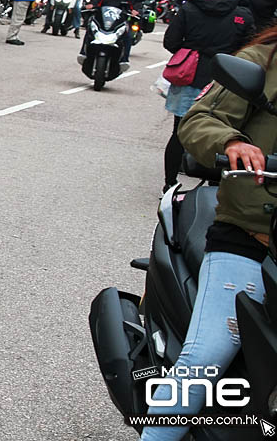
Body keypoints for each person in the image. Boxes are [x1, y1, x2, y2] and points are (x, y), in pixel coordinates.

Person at [140, 22, 271, 441]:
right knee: (204, 360)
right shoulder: (261, 64)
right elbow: (199, 119)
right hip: (251, 238)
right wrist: (232, 142)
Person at [161, 0, 255, 192]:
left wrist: (193, 49)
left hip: (190, 76)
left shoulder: (190, 8)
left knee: (179, 132)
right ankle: (213, 186)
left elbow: (170, 42)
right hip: (225, 82)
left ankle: (170, 184)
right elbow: (250, 51)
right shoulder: (242, 13)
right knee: (220, 133)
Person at [81, 0, 136, 66]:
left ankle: (124, 59)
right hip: (103, 21)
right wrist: (90, 6)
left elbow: (136, 5)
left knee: (128, 35)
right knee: (89, 28)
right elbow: (95, 1)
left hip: (119, 23)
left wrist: (136, 11)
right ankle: (83, 53)